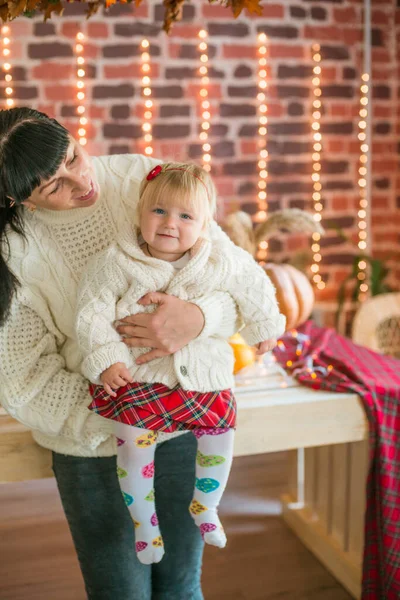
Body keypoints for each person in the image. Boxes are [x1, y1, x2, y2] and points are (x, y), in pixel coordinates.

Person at [0, 107, 242, 600]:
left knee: (180, 586)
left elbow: (233, 276)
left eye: (73, 156)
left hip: (182, 424)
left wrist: (201, 318)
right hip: (92, 446)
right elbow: (23, 378)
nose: (81, 181)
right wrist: (122, 412)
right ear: (16, 198)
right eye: (54, 187)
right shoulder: (14, 252)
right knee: (119, 593)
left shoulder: (141, 178)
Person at [75, 161, 286, 565]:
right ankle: (144, 525)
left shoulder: (220, 258)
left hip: (204, 375)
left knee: (221, 435)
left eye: (185, 215)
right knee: (133, 448)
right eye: (159, 211)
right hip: (138, 375)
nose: (170, 223)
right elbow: (91, 313)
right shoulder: (117, 261)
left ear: (204, 223)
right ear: (140, 214)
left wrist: (265, 326)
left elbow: (255, 284)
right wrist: (107, 358)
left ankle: (205, 505)